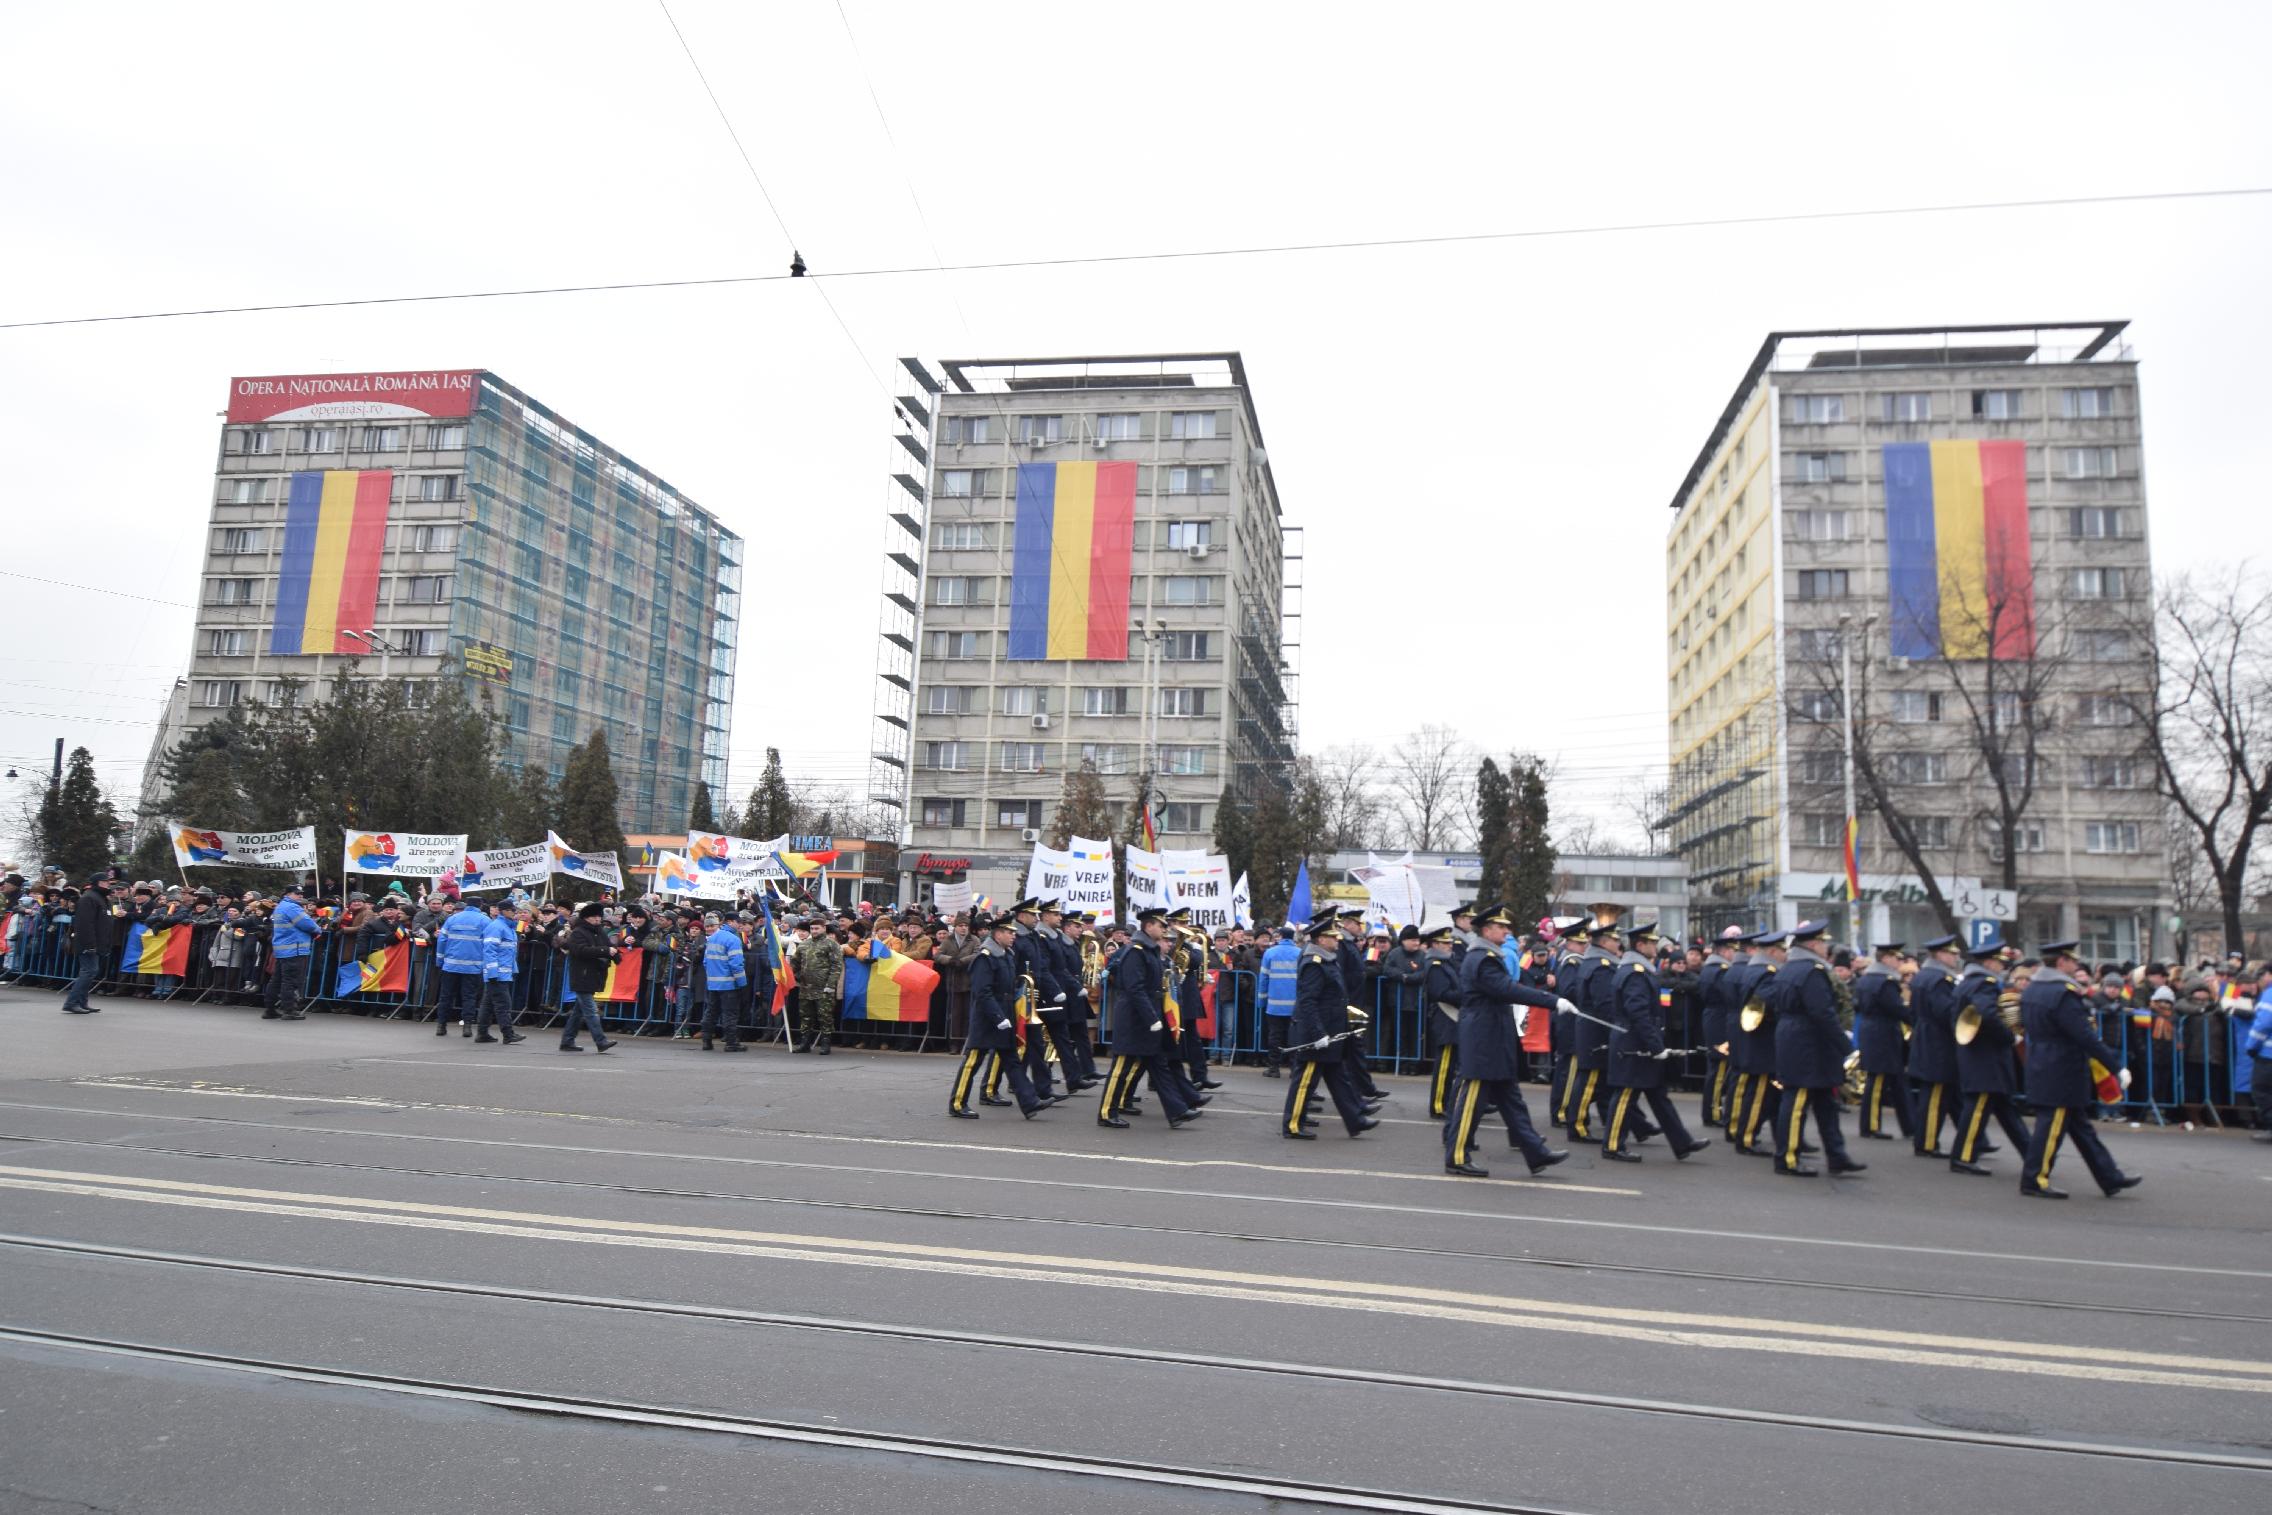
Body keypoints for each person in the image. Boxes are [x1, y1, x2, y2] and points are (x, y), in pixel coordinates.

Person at [1442, 904, 1569, 1177]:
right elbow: (1507, 990)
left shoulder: (1488, 955)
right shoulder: (1483, 958)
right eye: (1501, 927)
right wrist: (1553, 1000)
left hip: (1493, 1036)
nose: (1507, 931)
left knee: (1512, 1099)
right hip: (1483, 1038)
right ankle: (1457, 1156)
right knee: (1472, 1100)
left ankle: (1535, 1152)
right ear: (1486, 930)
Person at [2018, 942, 2141, 1199]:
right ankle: (2034, 1179)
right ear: (2061, 962)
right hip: (2062, 1065)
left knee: (2081, 1129)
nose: (2076, 966)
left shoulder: (2032, 989)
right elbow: (2084, 1034)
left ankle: (2109, 1176)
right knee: (2050, 1128)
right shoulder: (2062, 993)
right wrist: (2116, 1067)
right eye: (2072, 961)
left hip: (2042, 1059)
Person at [1601, 921, 1711, 1163]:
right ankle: (1612, 1145)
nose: (1655, 946)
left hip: (1640, 1040)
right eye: (1652, 942)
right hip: (1634, 1042)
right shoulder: (1635, 972)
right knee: (1626, 1094)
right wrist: (1655, 1045)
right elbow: (1637, 1012)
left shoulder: (1639, 969)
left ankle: (1681, 1141)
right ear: (1641, 945)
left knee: (1658, 1094)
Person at [1771, 921, 1863, 1178]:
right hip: (1808, 1042)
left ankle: (1837, 1155)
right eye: (1823, 942)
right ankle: (1787, 1158)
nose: (1826, 947)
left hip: (1800, 1038)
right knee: (1797, 1102)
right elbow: (1822, 1013)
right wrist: (1847, 1047)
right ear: (1813, 944)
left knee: (1826, 1103)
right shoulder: (1812, 971)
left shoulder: (1790, 968)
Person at [1282, 909, 1377, 1140]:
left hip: (1332, 1031)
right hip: (1318, 1034)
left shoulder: (1327, 959)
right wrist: (1318, 1033)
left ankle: (1355, 1120)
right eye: (1333, 936)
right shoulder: (1314, 962)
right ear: (1321, 939)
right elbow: (1308, 1001)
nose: (1337, 939)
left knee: (1339, 1078)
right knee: (1305, 1081)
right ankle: (1292, 1125)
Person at [1096, 909, 1194, 1127]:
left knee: (1160, 1066)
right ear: (1149, 927)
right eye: (1161, 926)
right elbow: (1134, 989)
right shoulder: (1136, 952)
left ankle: (1177, 1110)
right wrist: (1151, 1018)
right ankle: (1106, 1113)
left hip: (1149, 1018)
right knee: (1121, 1068)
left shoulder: (1149, 950)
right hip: (1135, 1019)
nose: (1164, 930)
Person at [950, 915, 1045, 1119]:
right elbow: (983, 992)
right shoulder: (985, 957)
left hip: (1006, 1014)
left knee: (1011, 1060)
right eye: (1010, 933)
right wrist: (997, 1017)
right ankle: (957, 1103)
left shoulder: (1007, 954)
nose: (1014, 936)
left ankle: (1029, 1102)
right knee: (973, 1061)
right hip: (988, 1018)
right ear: (998, 934)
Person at [1949, 942, 2031, 1175]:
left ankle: (2033, 1154)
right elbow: (1989, 1015)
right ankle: (1963, 1157)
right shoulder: (1986, 984)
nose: (2001, 966)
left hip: (1978, 1053)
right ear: (1988, 963)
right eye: (1999, 962)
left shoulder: (1966, 983)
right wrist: (2009, 1037)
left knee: (2006, 1108)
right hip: (1987, 1055)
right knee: (1978, 1107)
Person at [1907, 935, 1965, 1157]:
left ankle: (1974, 1138)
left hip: (1926, 1035)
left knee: (1943, 1094)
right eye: (1953, 953)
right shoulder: (1940, 979)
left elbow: (1913, 1012)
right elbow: (1945, 1012)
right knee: (1935, 1096)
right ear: (1941, 955)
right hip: (1939, 1040)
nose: (1956, 957)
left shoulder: (1923, 976)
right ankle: (1927, 1143)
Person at [1852, 940, 1915, 1141]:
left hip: (1874, 1031)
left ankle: (1910, 1125)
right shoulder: (1884, 981)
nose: (1900, 962)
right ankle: (1870, 1125)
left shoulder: (1868, 978)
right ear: (1887, 958)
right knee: (1878, 1080)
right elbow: (1896, 1008)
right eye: (1897, 958)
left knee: (1898, 1081)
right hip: (1883, 1032)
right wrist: (1916, 1019)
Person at [1696, 927, 1743, 1128]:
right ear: (1724, 952)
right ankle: (1713, 1113)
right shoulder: (1721, 971)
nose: (1735, 954)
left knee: (1716, 1070)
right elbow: (1730, 996)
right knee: (1720, 1071)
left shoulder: (1709, 968)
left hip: (1713, 1019)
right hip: (1720, 1021)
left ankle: (1712, 1110)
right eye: (1733, 950)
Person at [558, 900, 619, 1053]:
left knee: (578, 1011)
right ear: (586, 918)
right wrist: (605, 951)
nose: (597, 919)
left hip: (593, 975)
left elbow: (609, 946)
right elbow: (581, 951)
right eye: (593, 917)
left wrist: (616, 955)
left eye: (599, 916)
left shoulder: (599, 931)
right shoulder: (578, 932)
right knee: (591, 1010)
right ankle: (601, 1041)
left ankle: (567, 1040)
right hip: (582, 975)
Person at [1421, 925, 1464, 1117]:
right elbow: (1441, 993)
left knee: (1451, 1064)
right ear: (1435, 944)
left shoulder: (1446, 962)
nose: (1450, 945)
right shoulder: (1436, 964)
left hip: (1452, 1018)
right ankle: (1439, 1105)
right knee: (1445, 1066)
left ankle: (1447, 1101)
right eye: (1446, 943)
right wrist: (1465, 995)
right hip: (1446, 1018)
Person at [265, 883, 320, 1021]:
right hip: (294, 948)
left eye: (301, 894)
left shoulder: (281, 906)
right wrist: (318, 930)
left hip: (282, 949)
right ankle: (288, 1010)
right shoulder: (292, 907)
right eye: (297, 894)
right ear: (288, 895)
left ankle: (270, 1009)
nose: (300, 896)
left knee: (276, 980)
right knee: (289, 981)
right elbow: (308, 924)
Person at [59, 879, 115, 1014]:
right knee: (89, 971)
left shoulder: (102, 898)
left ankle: (82, 1002)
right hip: (87, 943)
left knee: (90, 971)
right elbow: (85, 923)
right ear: (97, 882)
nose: (108, 884)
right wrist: (90, 945)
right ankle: (71, 1002)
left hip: (97, 942)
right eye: (104, 881)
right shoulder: (89, 898)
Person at [432, 898, 486, 1037]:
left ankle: (441, 1026)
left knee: (446, 996)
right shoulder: (484, 921)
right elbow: (488, 944)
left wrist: (439, 961)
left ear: (467, 905)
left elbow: (442, 940)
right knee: (469, 997)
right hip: (473, 967)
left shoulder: (452, 919)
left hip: (450, 965)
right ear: (480, 906)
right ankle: (467, 1026)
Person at [474, 901, 525, 1044]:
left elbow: (509, 952)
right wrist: (492, 972)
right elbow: (490, 950)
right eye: (512, 910)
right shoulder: (497, 927)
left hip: (501, 973)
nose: (515, 913)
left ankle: (482, 1033)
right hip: (497, 974)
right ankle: (508, 1034)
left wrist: (512, 969)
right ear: (504, 912)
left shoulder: (506, 927)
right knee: (503, 1004)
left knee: (488, 1004)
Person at [794, 917, 843, 1053]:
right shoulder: (804, 945)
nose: (814, 931)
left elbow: (836, 966)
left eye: (817, 928)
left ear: (824, 928)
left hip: (823, 988)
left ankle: (826, 1044)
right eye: (812, 929)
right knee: (806, 1016)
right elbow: (795, 964)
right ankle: (805, 1043)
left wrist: (831, 984)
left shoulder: (831, 945)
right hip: (805, 988)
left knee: (825, 1016)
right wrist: (784, 974)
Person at [701, 911, 746, 1051]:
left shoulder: (712, 938)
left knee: (711, 1012)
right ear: (730, 922)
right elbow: (736, 964)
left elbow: (705, 961)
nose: (740, 925)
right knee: (730, 1014)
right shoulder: (733, 939)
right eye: (738, 922)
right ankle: (731, 1042)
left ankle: (706, 1041)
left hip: (713, 984)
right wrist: (742, 983)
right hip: (728, 984)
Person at [1259, 925, 1299, 1076]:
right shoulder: (1300, 953)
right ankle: (1294, 1068)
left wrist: (1261, 1001)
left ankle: (1274, 1068)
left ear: (1280, 937)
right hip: (1295, 1005)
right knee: (1294, 1036)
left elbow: (1263, 979)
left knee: (1275, 1035)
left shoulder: (1270, 953)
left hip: (1274, 1005)